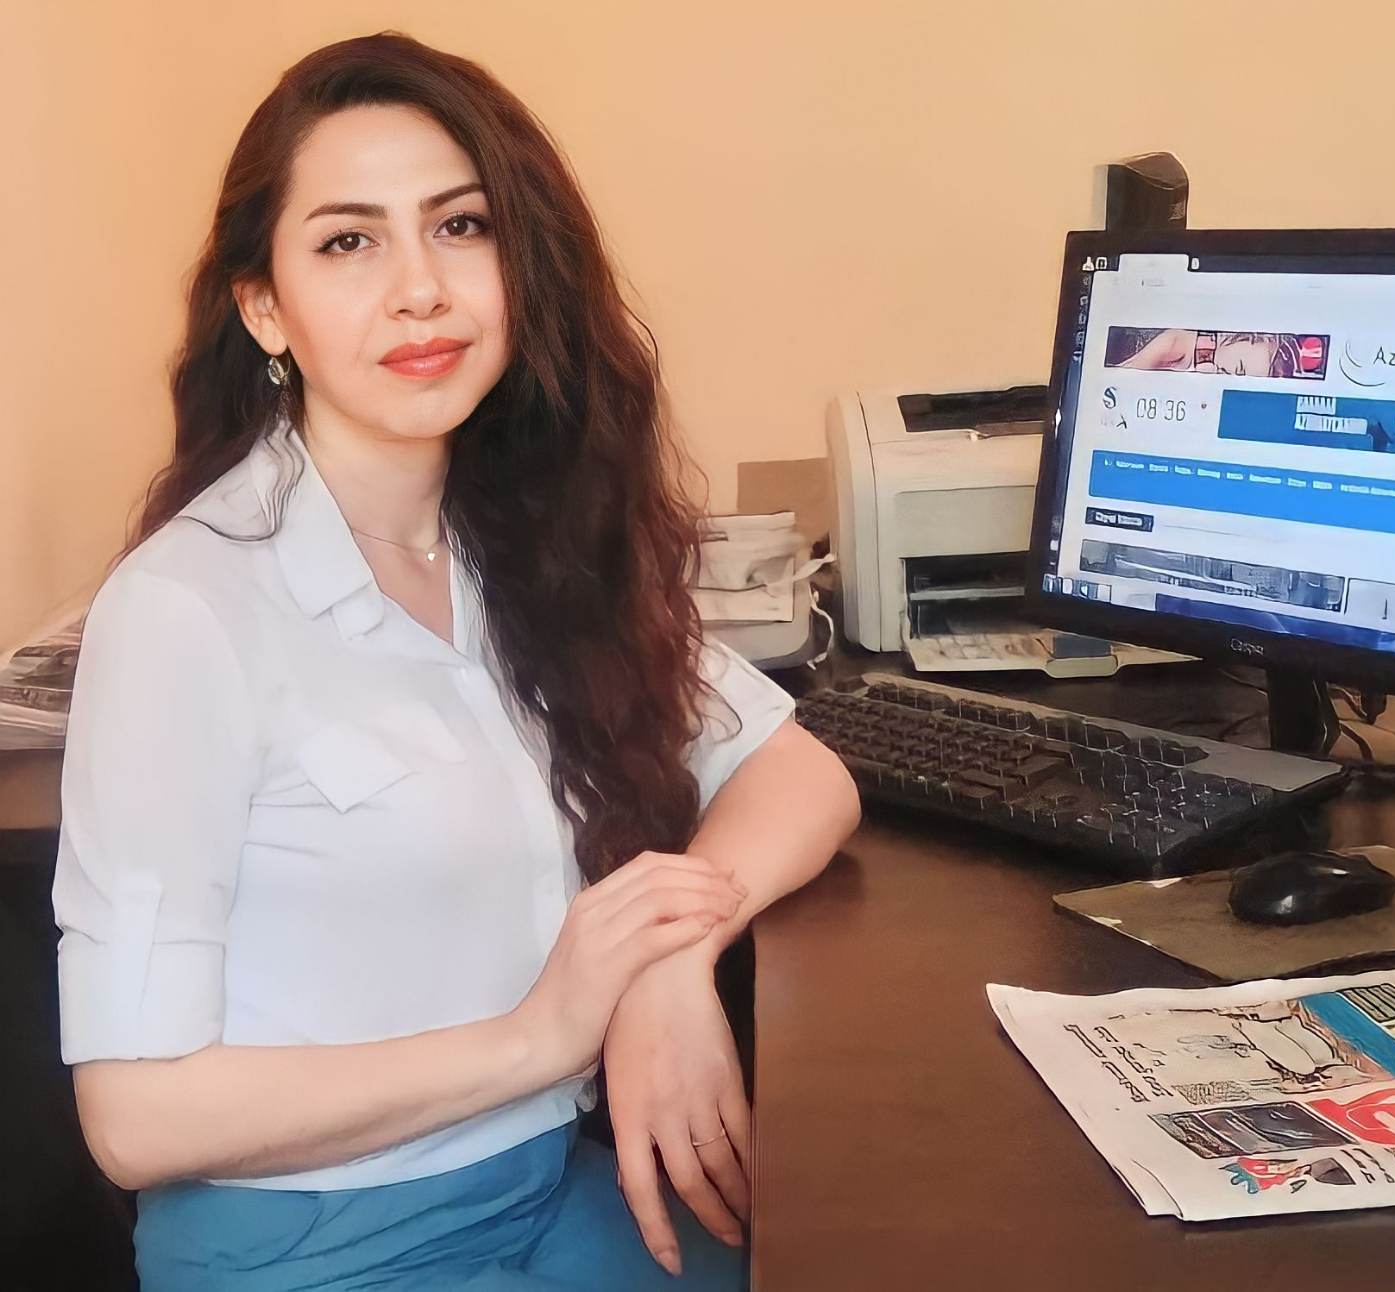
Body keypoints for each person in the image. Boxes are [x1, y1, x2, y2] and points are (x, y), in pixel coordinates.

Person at [51, 32, 859, 1290]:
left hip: (543, 1192)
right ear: (263, 306)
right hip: (311, 1254)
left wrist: (667, 953)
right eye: (347, 242)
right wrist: (548, 1029)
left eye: (460, 226)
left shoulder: (518, 545)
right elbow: (134, 1116)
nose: (419, 289)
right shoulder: (184, 610)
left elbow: (800, 774)